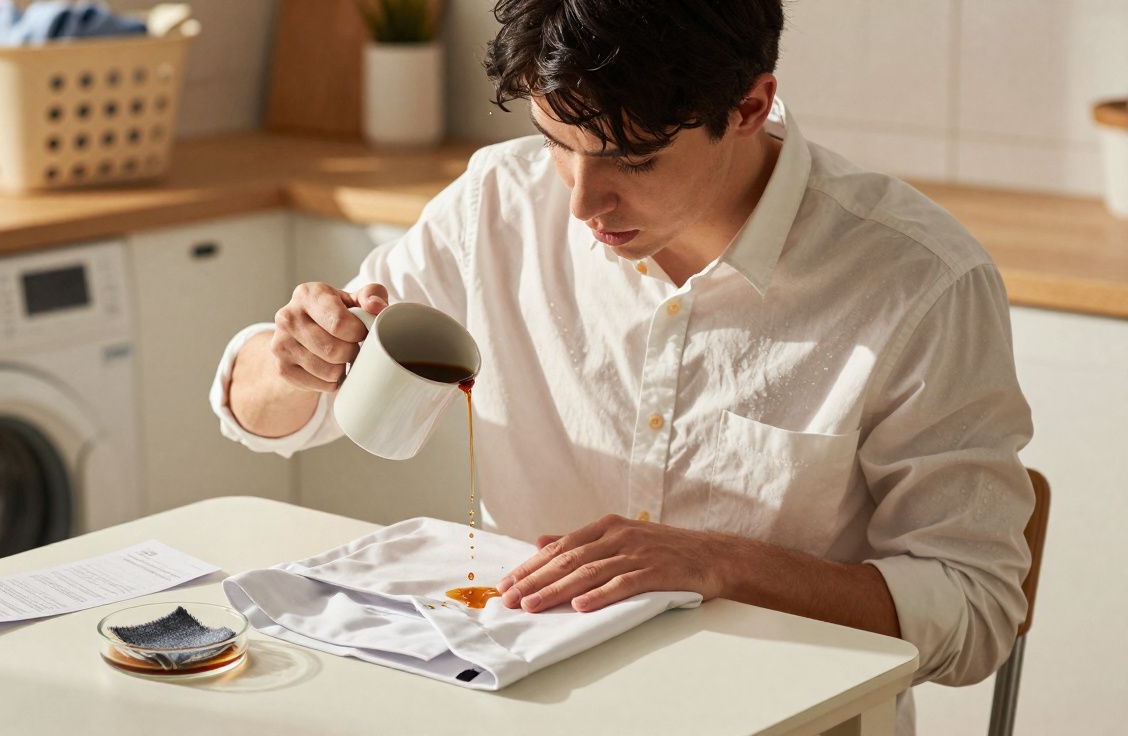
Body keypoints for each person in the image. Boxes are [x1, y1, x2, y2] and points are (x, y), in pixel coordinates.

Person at [210, 1, 1034, 731]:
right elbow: (270, 419)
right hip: (522, 698)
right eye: (556, 143)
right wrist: (294, 362)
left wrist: (719, 564)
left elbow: (976, 610)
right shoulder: (496, 207)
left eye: (632, 159)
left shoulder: (916, 279)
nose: (579, 202)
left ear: (749, 105)